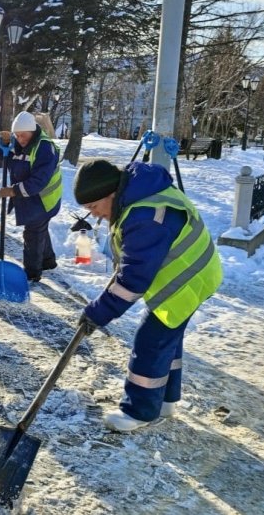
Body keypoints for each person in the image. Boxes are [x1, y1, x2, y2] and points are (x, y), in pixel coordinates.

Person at [73, 159, 223, 432]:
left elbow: (134, 279)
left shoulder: (146, 216)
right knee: (167, 339)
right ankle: (164, 400)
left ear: (112, 194)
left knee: (151, 342)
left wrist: (98, 313)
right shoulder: (137, 198)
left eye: (95, 207)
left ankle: (139, 411)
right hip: (191, 274)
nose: (96, 215)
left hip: (187, 280)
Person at [0, 111, 62, 282]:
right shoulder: (19, 142)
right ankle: (48, 261)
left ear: (32, 131)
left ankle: (31, 274)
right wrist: (1, 143)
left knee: (32, 233)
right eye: (17, 135)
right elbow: (6, 157)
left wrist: (13, 191)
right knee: (39, 229)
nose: (20, 139)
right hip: (30, 196)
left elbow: (38, 181)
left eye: (23, 135)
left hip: (45, 199)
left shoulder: (45, 148)